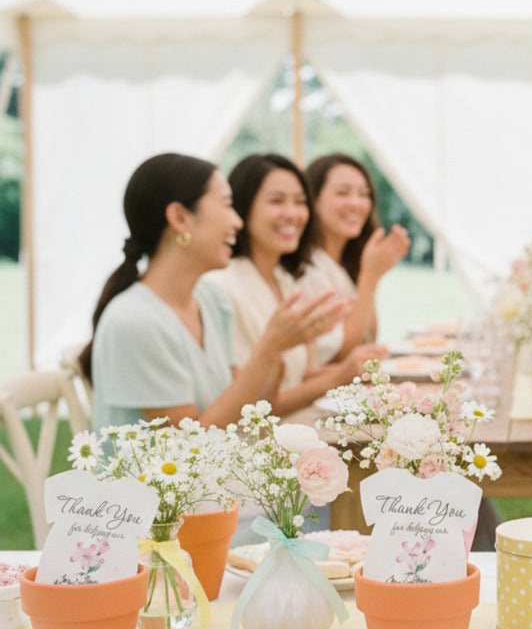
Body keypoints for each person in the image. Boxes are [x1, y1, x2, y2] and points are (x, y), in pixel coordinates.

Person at [82, 153, 341, 429]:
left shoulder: (211, 300)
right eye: (227, 206)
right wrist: (269, 348)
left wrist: (280, 349)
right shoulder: (135, 321)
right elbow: (189, 447)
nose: (237, 222)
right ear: (180, 218)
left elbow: (245, 410)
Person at [207, 154, 374, 422]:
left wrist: (358, 366)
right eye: (276, 201)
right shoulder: (222, 287)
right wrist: (339, 376)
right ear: (243, 207)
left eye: (300, 202)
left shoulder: (285, 281)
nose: (293, 214)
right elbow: (246, 405)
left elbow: (302, 375)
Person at [304, 153, 410, 354]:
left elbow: (369, 338)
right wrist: (370, 276)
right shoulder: (308, 269)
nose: (356, 203)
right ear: (313, 200)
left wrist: (371, 274)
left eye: (363, 194)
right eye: (343, 193)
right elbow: (339, 353)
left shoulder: (345, 263)